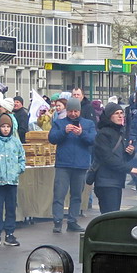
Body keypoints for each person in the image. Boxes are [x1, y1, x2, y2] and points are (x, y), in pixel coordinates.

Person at [49, 98, 97, 233]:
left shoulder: (88, 124)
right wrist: (64, 131)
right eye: (71, 111)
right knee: (59, 194)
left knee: (76, 195)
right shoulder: (59, 123)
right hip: (63, 164)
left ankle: (72, 221)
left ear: (80, 111)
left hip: (81, 165)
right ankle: (57, 222)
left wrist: (81, 133)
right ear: (67, 110)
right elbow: (52, 139)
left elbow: (93, 140)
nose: (73, 114)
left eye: (76, 111)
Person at [0, 112, 26, 246]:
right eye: (3, 126)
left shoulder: (16, 142)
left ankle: (10, 233)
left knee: (11, 207)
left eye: (8, 126)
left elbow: (22, 158)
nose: (6, 129)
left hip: (12, 181)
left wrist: (18, 169)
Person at [90, 102, 136, 215]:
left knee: (113, 214)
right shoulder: (103, 134)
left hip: (116, 180)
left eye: (122, 113)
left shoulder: (120, 132)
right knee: (109, 215)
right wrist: (129, 169)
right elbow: (108, 159)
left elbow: (120, 157)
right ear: (109, 116)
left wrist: (130, 153)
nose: (121, 116)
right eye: (117, 113)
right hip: (105, 181)